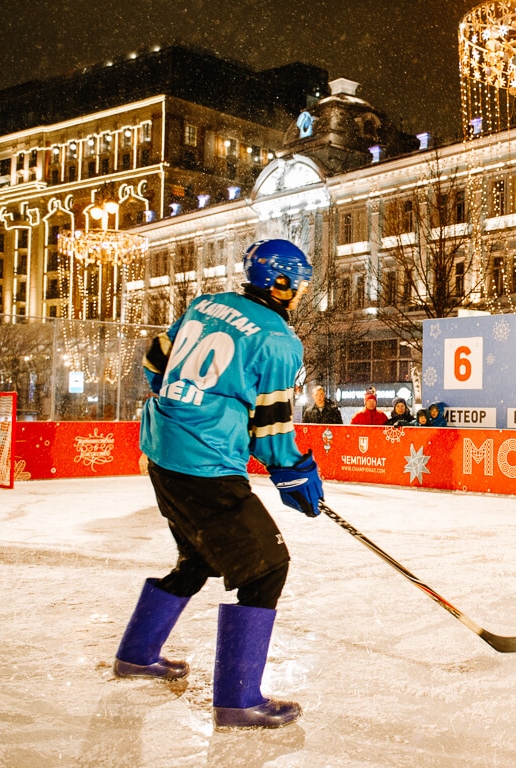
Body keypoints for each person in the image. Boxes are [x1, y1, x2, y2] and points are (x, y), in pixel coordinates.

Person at [113, 238, 324, 731]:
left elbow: (154, 361)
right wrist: (295, 472)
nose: (301, 293)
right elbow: (271, 429)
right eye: (299, 285)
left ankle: (137, 654)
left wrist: (190, 403)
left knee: (199, 559)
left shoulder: (206, 305)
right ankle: (238, 701)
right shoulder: (278, 339)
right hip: (205, 465)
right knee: (267, 569)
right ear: (281, 283)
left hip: (163, 450)